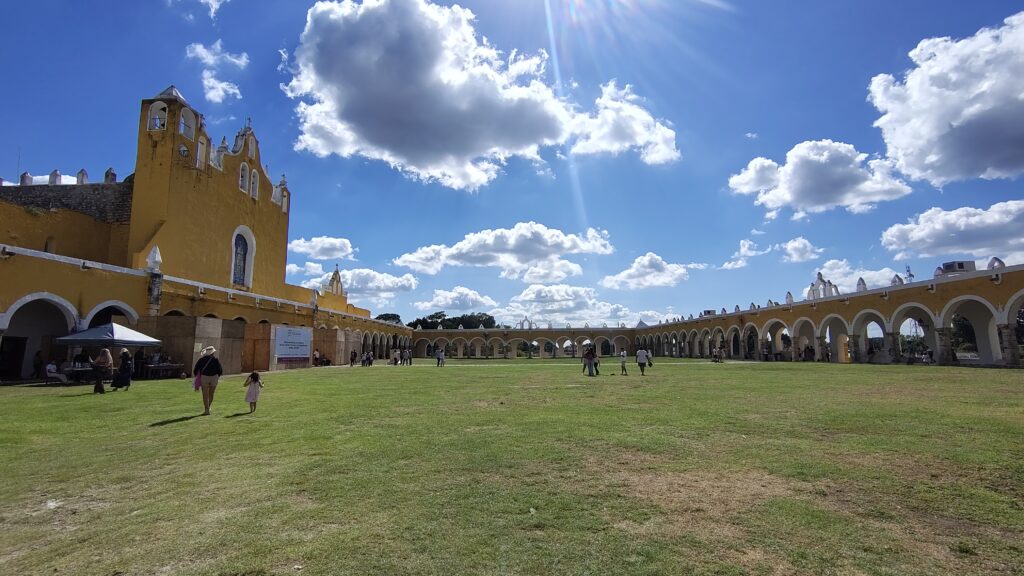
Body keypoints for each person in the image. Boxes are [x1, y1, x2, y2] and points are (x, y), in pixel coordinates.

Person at [193, 346, 223, 416]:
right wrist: (217, 376)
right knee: (211, 393)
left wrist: (197, 377)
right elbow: (220, 370)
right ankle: (209, 407)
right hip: (214, 377)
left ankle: (206, 409)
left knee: (205, 394)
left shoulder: (201, 360)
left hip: (204, 377)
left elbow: (196, 370)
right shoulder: (216, 360)